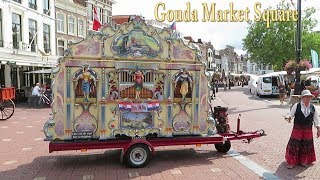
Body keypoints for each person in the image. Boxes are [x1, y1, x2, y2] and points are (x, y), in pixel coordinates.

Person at [284, 90, 320, 169]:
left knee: (306, 145)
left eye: (309, 97)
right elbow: (291, 115)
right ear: (302, 98)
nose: (308, 98)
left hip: (308, 130)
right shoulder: (297, 106)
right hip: (297, 129)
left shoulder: (313, 107)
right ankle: (291, 162)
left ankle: (303, 160)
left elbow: (316, 119)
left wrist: (318, 128)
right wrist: (288, 117)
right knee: (294, 145)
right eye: (306, 97)